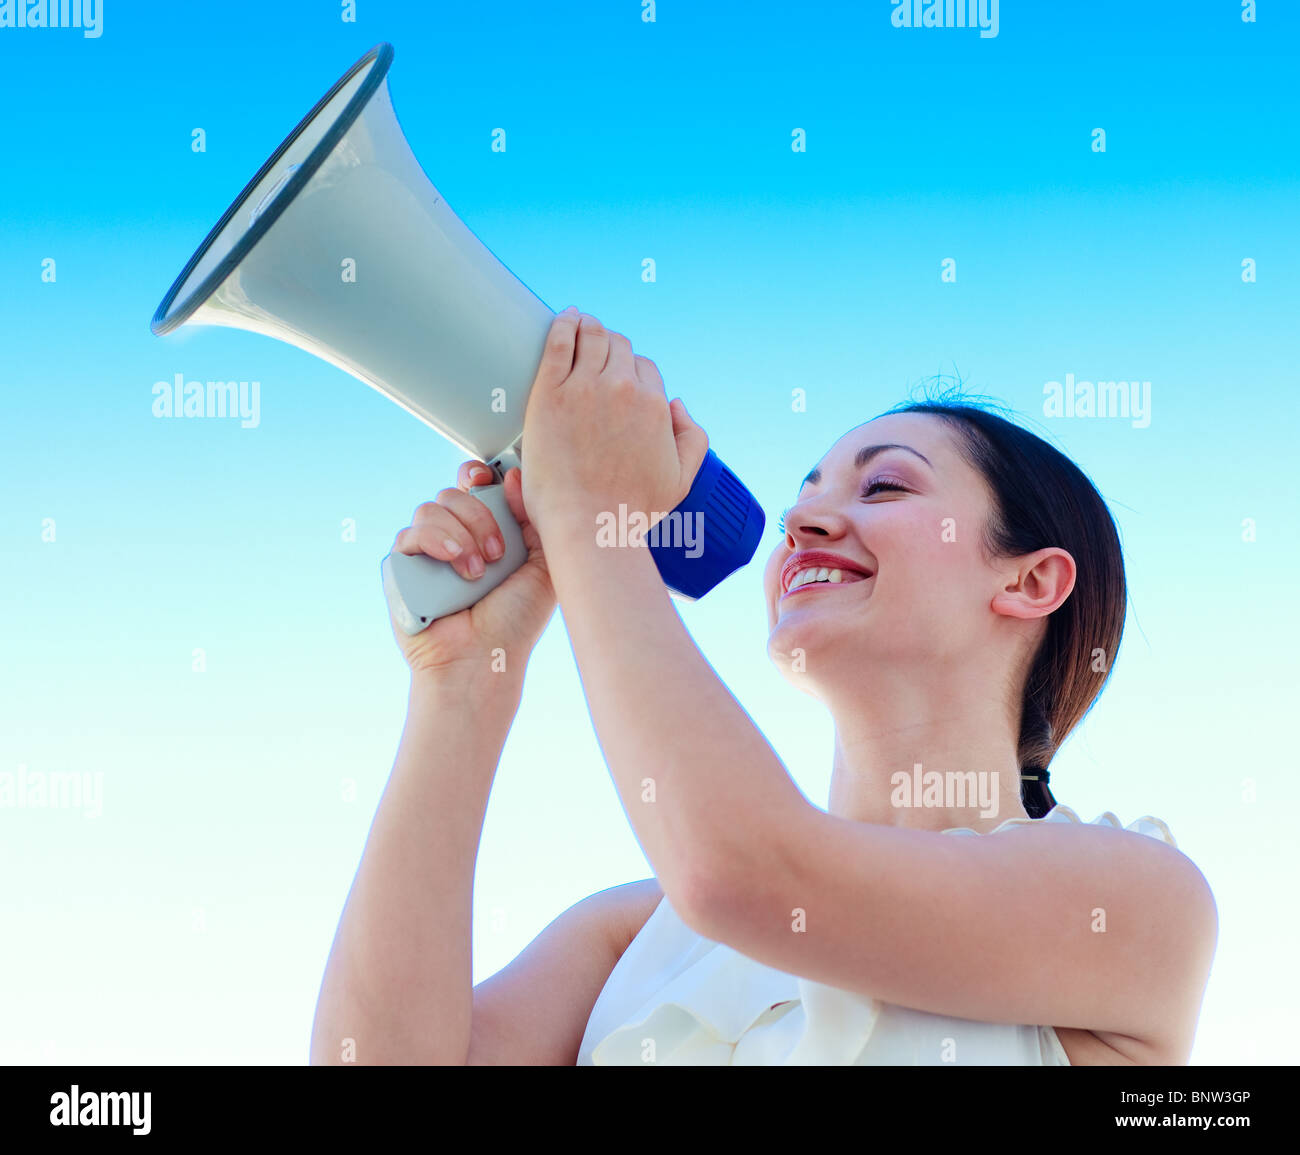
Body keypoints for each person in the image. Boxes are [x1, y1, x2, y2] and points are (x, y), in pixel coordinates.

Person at [309, 308, 1217, 1066]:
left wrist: (590, 515)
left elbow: (747, 872)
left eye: (887, 487)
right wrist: (462, 684)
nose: (804, 520)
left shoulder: (1137, 900)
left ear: (1028, 582)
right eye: (803, 496)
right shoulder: (631, 934)